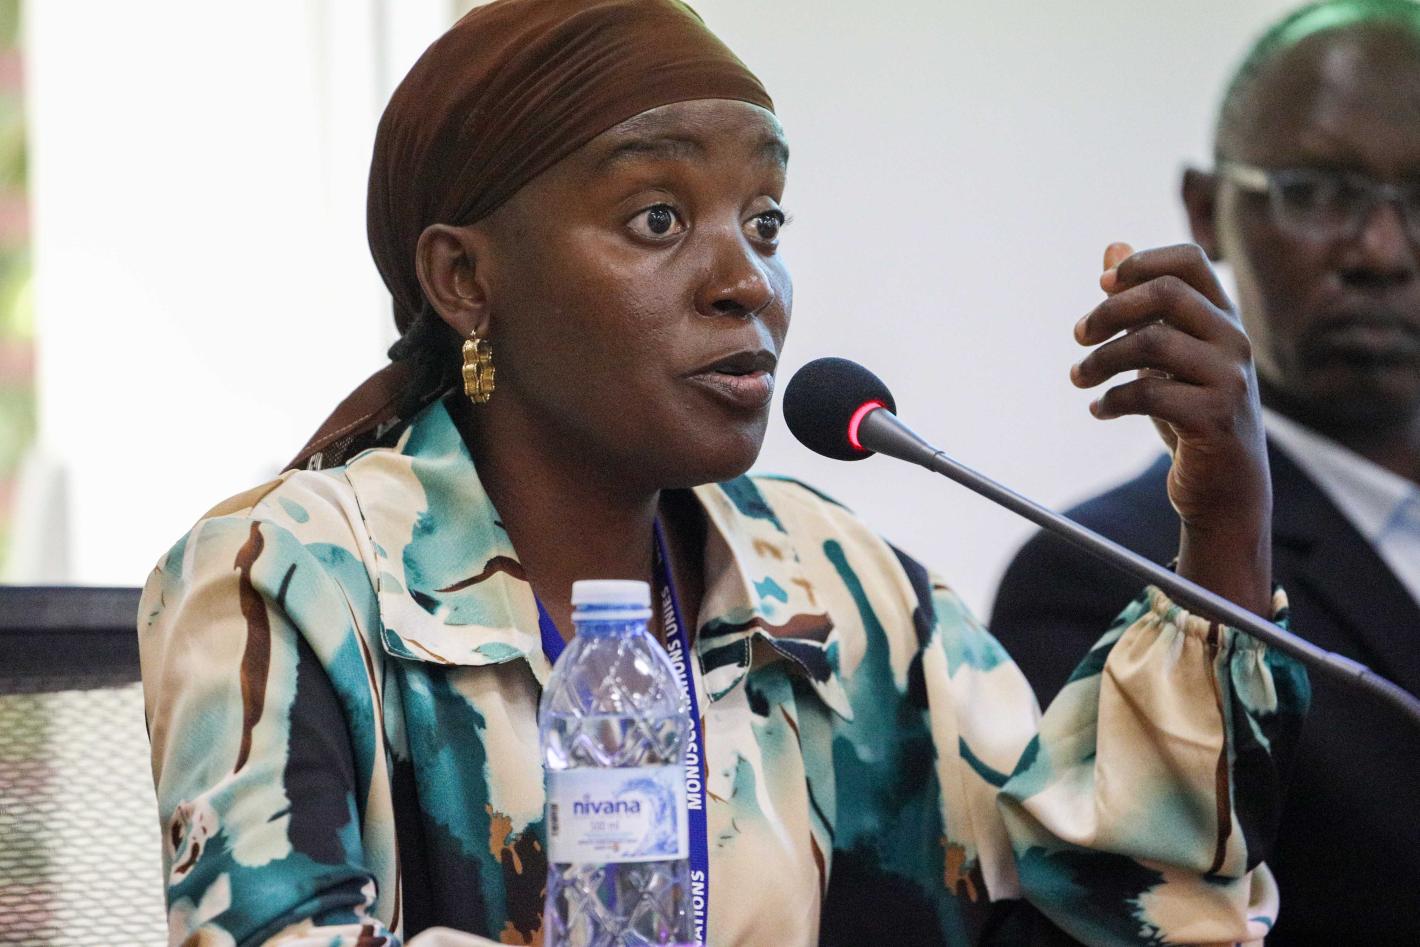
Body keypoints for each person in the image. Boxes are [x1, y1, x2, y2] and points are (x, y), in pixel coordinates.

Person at [138, 1, 1308, 944]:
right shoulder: (290, 577)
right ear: (464, 278)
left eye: (765, 222)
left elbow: (1115, 908)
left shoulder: (839, 584)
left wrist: (1223, 526)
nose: (746, 280)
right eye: (657, 218)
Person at [990, 2, 1420, 943]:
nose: (1382, 251)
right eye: (1319, 192)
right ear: (1204, 208)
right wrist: (1228, 544)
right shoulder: (1103, 574)